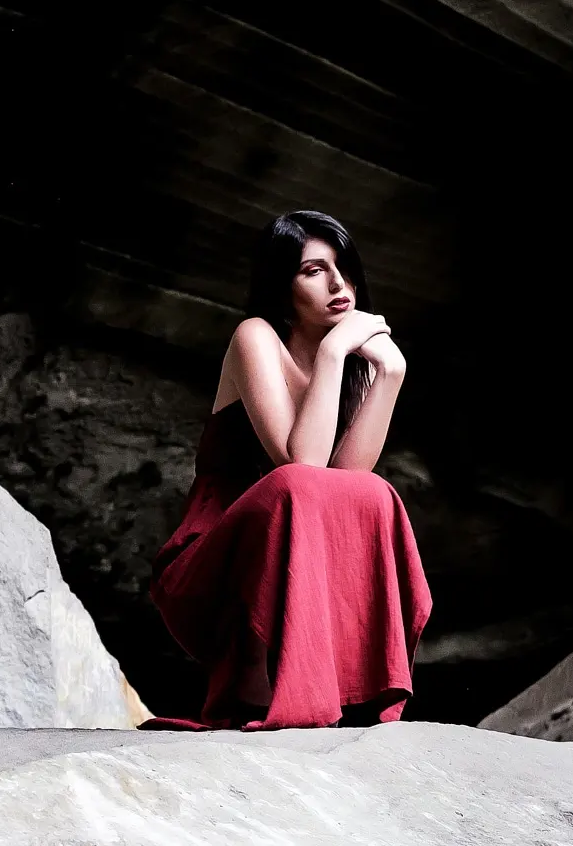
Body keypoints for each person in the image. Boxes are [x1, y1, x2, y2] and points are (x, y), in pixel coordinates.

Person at [147, 210, 431, 730]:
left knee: (375, 492)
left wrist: (391, 372)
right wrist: (331, 353)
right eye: (313, 270)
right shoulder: (255, 337)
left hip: (296, 539)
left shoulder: (356, 361)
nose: (338, 283)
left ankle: (357, 689)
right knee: (296, 483)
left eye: (342, 267)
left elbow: (345, 484)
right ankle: (259, 677)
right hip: (211, 559)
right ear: (282, 285)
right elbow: (300, 465)